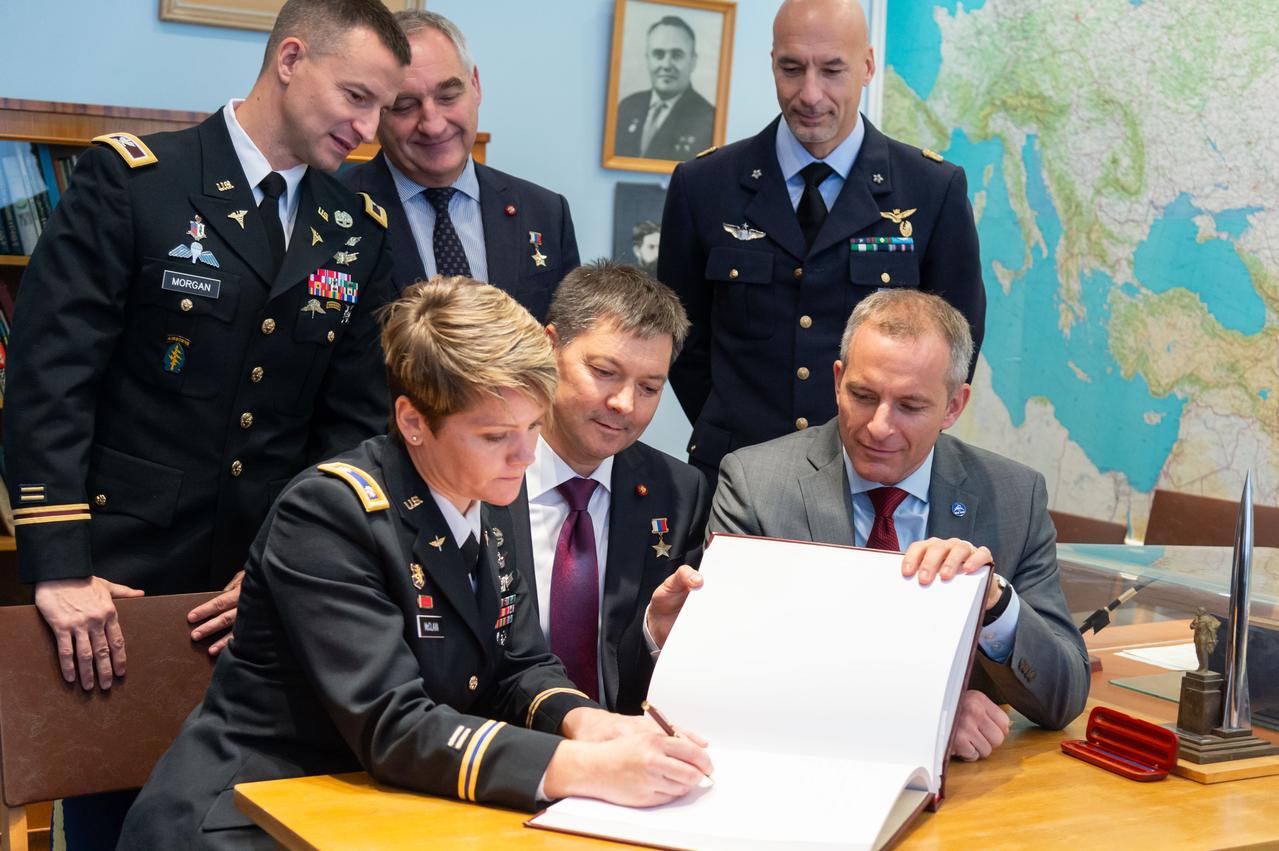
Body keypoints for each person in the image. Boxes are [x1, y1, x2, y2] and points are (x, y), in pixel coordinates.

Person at [4, 0, 409, 843]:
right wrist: (60, 564)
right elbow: (51, 378)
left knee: (246, 823)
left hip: (262, 591)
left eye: (382, 107)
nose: (370, 130)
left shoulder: (356, 227)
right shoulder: (137, 181)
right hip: (123, 587)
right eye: (357, 97)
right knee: (116, 820)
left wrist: (290, 565)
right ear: (290, 60)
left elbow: (351, 427)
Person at [118, 279, 713, 849]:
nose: (524, 455)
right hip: (256, 809)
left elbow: (519, 665)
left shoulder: (488, 493)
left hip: (391, 807)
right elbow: (392, 724)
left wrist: (592, 723)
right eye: (495, 435)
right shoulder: (330, 512)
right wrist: (585, 766)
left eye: (534, 426)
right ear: (413, 422)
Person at [647, 289, 1089, 761]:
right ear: (838, 381)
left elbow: (1062, 698)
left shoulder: (1014, 497)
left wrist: (994, 603)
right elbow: (731, 672)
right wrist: (926, 716)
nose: (879, 426)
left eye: (910, 406)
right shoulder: (757, 484)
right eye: (863, 396)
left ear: (954, 406)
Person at [658, 0, 985, 483]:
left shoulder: (931, 190)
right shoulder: (704, 185)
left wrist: (889, 440)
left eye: (832, 70)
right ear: (773, 64)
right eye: (792, 69)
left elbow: (957, 344)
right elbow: (680, 340)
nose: (810, 94)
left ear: (867, 66)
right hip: (736, 469)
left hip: (872, 474)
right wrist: (732, 426)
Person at [507, 261, 709, 714]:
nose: (624, 404)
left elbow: (656, 683)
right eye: (604, 371)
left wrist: (656, 634)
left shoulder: (678, 492)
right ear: (549, 346)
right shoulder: (481, 473)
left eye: (649, 387)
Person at [343, 10, 579, 321]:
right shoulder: (332, 209)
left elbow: (569, 336)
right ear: (376, 110)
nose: (433, 125)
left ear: (475, 85)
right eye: (405, 105)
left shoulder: (545, 213)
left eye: (448, 97)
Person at [614, 15, 716, 161]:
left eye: (677, 55)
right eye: (658, 54)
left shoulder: (709, 120)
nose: (666, 65)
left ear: (693, 61)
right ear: (647, 59)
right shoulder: (627, 107)